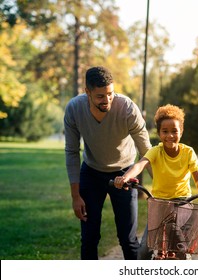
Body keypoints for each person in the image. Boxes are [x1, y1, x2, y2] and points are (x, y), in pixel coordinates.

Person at [64, 66, 152, 260]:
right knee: (89, 238)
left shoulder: (127, 108)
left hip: (125, 173)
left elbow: (147, 151)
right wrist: (75, 196)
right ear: (87, 92)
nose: (107, 100)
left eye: (110, 94)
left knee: (128, 239)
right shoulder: (74, 109)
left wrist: (163, 188)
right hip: (91, 173)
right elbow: (71, 152)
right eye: (100, 96)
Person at [113, 104, 198, 259]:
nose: (170, 136)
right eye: (165, 131)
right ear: (159, 133)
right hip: (159, 205)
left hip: (182, 204)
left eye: (174, 131)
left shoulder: (188, 152)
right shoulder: (155, 151)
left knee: (182, 250)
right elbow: (140, 165)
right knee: (144, 251)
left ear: (181, 131)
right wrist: (125, 177)